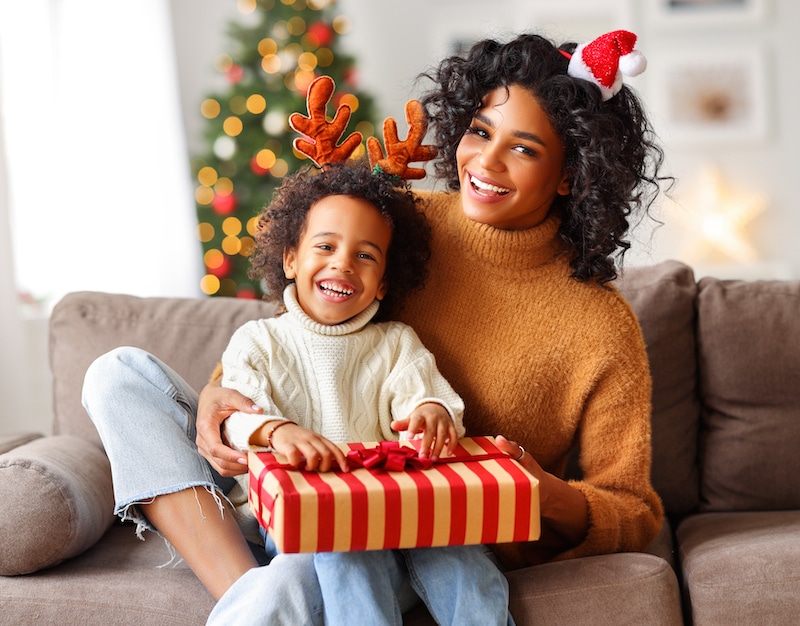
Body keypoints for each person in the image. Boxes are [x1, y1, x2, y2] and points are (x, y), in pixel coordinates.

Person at [84, 28, 667, 624]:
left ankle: (285, 587)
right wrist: (216, 403)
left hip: (406, 529)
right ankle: (258, 586)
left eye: (524, 149)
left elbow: (634, 511)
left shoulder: (601, 325)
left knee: (335, 549)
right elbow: (293, 341)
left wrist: (537, 491)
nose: (485, 163)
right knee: (119, 375)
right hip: (273, 484)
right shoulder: (403, 224)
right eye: (479, 132)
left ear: (571, 173)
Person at [217, 159, 513, 626]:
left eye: (366, 256)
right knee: (344, 545)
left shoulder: (395, 342)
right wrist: (276, 431)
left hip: (398, 517)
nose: (342, 263)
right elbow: (232, 418)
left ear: (383, 283)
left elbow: (427, 397)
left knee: (463, 557)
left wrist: (432, 412)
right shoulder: (258, 341)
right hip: (301, 525)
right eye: (326, 246)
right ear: (291, 258)